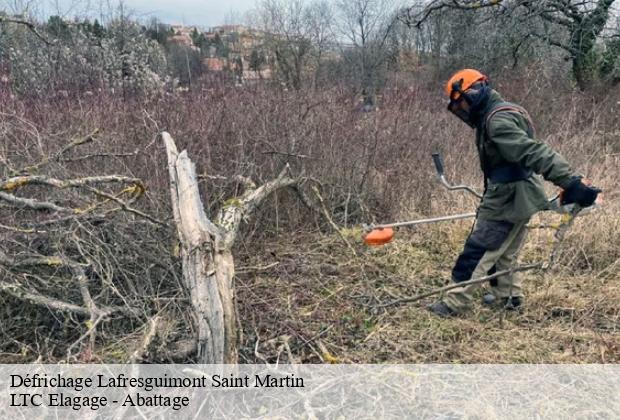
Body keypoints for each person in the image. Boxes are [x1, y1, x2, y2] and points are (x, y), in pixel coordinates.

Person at [428, 69, 600, 317]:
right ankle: (509, 297)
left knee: (479, 249)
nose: (462, 109)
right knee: (505, 252)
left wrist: (571, 182)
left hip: (508, 197)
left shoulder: (497, 121)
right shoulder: (503, 110)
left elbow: (533, 152)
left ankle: (454, 303)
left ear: (474, 92)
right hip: (521, 194)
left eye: (462, 102)